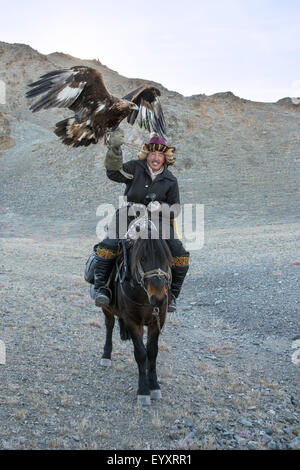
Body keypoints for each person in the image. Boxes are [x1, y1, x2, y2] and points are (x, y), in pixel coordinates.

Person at [92, 129, 190, 312]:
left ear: (165, 158)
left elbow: (175, 208)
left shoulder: (170, 180)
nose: (155, 157)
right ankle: (101, 289)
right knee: (109, 244)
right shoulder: (134, 167)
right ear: (147, 154)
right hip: (129, 214)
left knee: (180, 253)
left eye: (160, 154)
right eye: (152, 153)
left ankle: (173, 295)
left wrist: (160, 207)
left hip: (159, 220)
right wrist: (115, 150)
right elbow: (114, 174)